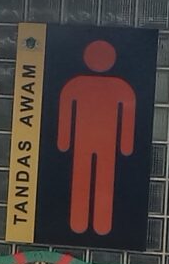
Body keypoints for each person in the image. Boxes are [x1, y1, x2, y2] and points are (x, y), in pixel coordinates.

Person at [55, 39, 137, 236]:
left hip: (85, 142)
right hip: (104, 143)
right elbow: (128, 120)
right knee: (101, 182)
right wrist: (126, 146)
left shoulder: (75, 84)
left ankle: (81, 222)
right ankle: (99, 225)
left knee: (87, 181)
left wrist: (64, 142)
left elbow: (65, 114)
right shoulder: (121, 87)